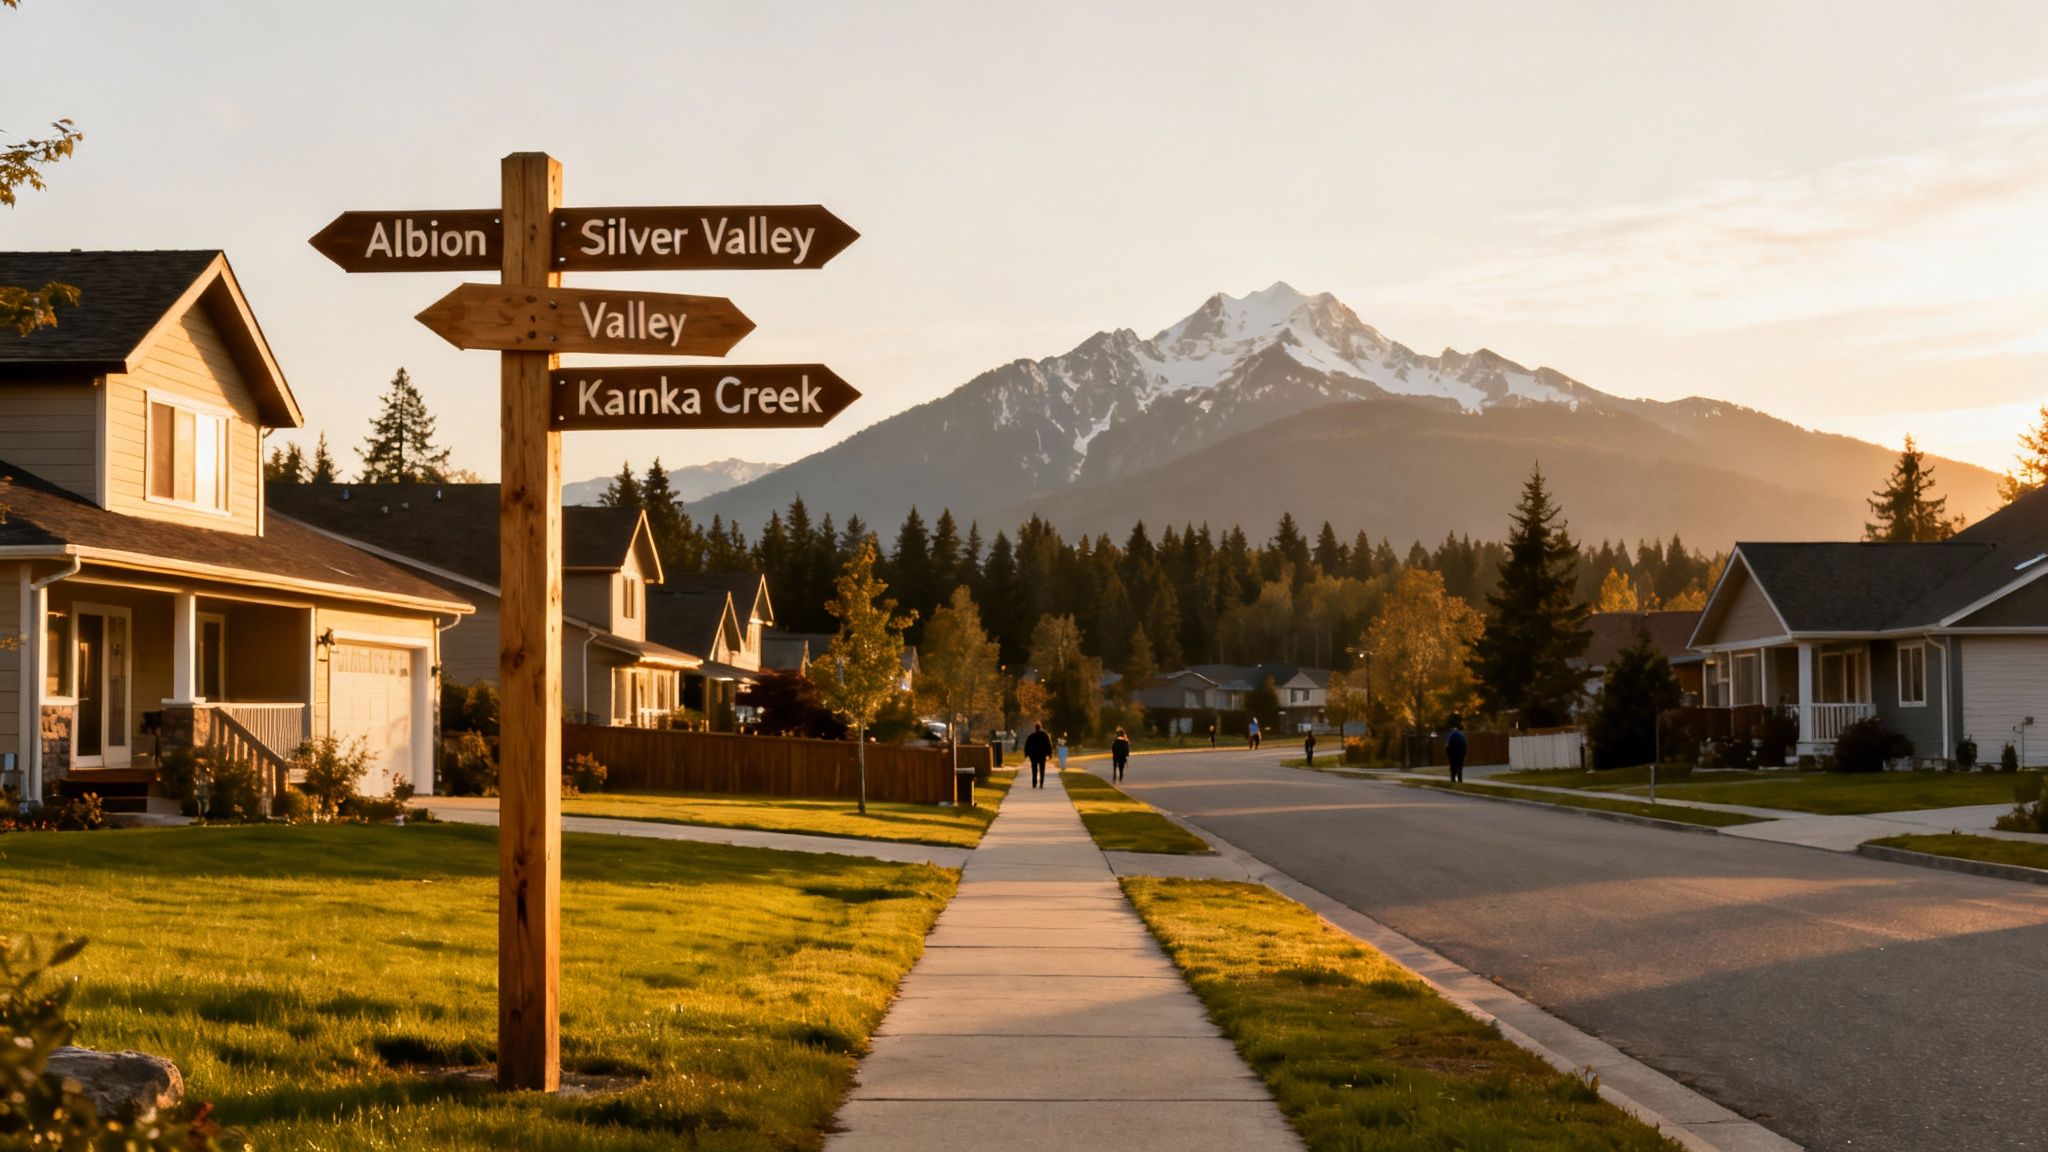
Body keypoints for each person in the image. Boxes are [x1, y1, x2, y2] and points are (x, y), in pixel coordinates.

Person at [1024, 723, 1052, 789]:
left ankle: (1034, 783)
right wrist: (1049, 754)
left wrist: (1026, 754)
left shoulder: (1031, 736)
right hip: (1042, 755)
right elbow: (1049, 745)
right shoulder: (1045, 735)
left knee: (1034, 770)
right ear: (1040, 727)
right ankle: (1041, 783)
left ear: (1035, 728)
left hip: (1033, 756)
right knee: (1042, 769)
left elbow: (1027, 745)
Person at [1445, 715, 1468, 784]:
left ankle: (1453, 779)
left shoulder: (1451, 734)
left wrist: (1447, 754)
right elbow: (1465, 743)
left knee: (1453, 765)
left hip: (1455, 750)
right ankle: (1460, 779)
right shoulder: (1461, 734)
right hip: (1462, 750)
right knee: (1460, 766)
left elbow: (1447, 745)